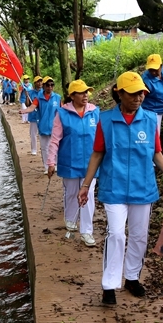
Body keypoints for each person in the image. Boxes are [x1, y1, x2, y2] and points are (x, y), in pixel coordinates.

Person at [78, 71, 163, 305]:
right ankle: (109, 285)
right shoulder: (106, 120)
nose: (138, 97)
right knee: (116, 234)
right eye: (133, 93)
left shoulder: (150, 120)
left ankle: (131, 277)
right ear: (119, 93)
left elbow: (156, 153)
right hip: (114, 187)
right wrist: (86, 185)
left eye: (141, 93)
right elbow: (97, 153)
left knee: (139, 236)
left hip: (143, 187)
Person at [46, 79, 100, 246]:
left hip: (90, 163)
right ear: (72, 96)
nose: (86, 95)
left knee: (88, 195)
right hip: (69, 161)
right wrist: (50, 162)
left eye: (87, 92)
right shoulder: (62, 114)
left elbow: (101, 138)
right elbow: (55, 140)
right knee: (71, 192)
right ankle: (70, 218)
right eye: (81, 92)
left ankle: (86, 231)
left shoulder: (95, 112)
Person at [20, 76, 61, 172]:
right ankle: (47, 167)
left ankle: (55, 165)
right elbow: (32, 107)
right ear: (44, 86)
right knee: (44, 147)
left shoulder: (57, 98)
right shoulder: (38, 98)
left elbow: (62, 110)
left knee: (55, 146)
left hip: (55, 127)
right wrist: (25, 111)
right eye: (48, 85)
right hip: (43, 126)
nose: (50, 87)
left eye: (52, 85)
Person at [26, 75, 43, 155]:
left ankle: (43, 148)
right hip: (33, 116)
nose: (39, 83)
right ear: (35, 83)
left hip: (42, 116)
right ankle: (34, 149)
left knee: (43, 134)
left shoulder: (44, 92)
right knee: (33, 133)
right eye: (38, 82)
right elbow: (27, 105)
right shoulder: (30, 93)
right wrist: (27, 96)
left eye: (41, 81)